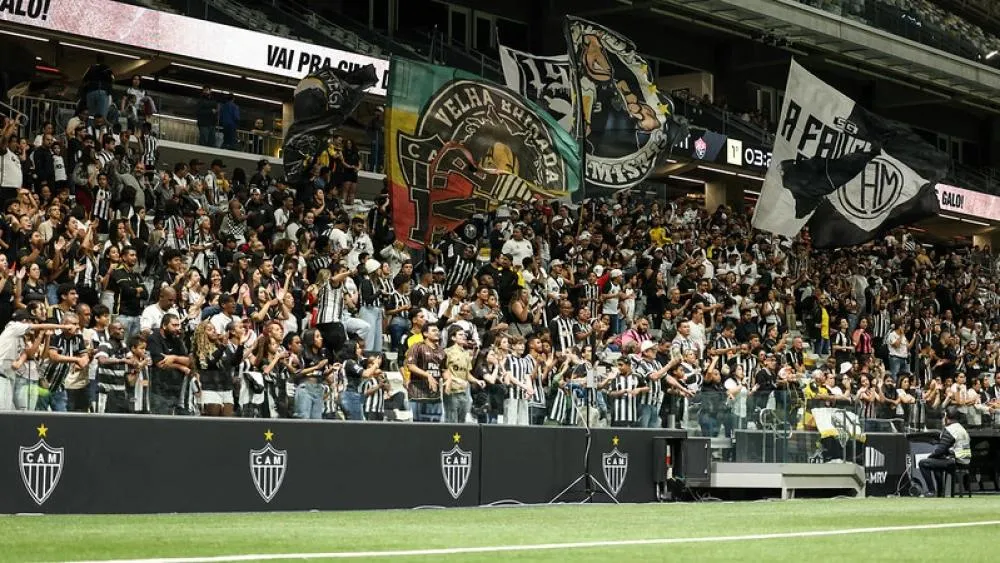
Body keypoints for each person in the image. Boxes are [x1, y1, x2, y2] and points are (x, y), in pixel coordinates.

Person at [918, 406, 972, 496]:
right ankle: (940, 492)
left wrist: (930, 456)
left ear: (946, 416)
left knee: (923, 463)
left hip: (955, 462)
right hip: (965, 461)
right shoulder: (962, 429)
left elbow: (940, 450)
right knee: (937, 461)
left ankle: (932, 491)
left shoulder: (951, 430)